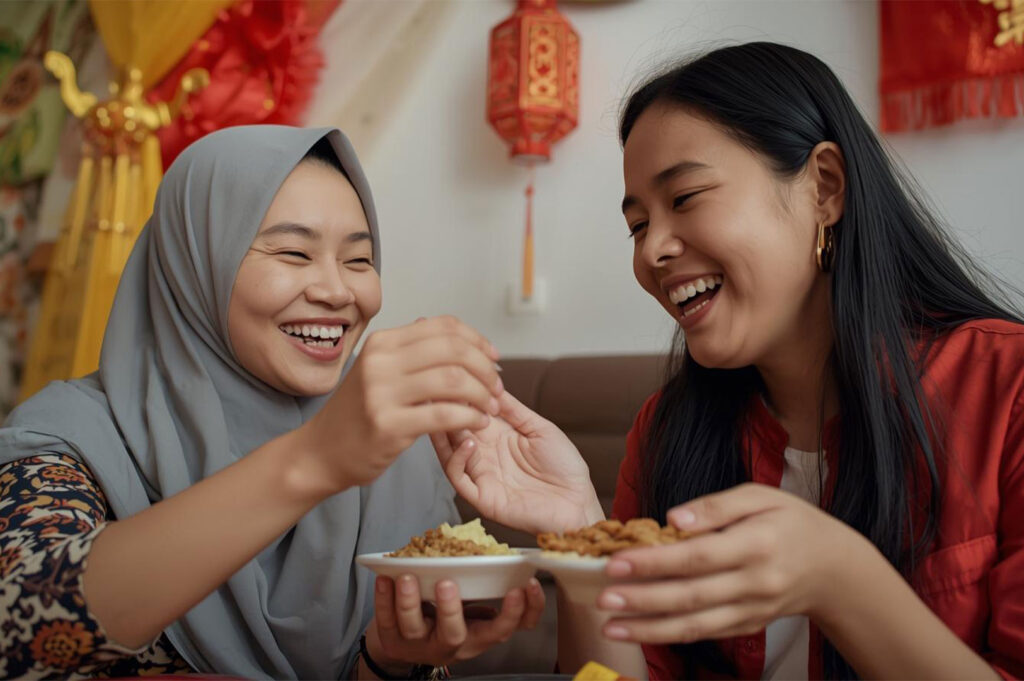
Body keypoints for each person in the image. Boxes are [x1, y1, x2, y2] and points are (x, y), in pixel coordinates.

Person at [433, 42, 1024, 680]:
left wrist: (840, 578)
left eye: (685, 198)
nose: (652, 249)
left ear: (824, 188)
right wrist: (582, 533)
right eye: (637, 225)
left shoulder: (1006, 388)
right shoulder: (665, 431)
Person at [0, 125, 543, 680]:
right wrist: (312, 460)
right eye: (292, 252)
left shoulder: (394, 451)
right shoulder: (72, 437)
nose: (337, 291)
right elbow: (19, 627)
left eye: (358, 261)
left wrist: (386, 660)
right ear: (193, 265)